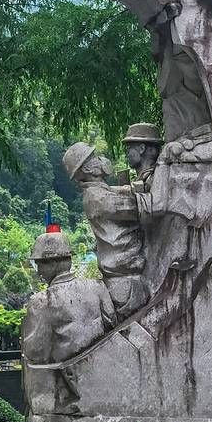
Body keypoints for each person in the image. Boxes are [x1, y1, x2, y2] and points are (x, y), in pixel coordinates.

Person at [63, 141, 150, 320]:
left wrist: (132, 188)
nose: (100, 159)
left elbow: (117, 191)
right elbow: (144, 208)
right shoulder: (98, 198)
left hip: (127, 278)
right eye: (94, 157)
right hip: (125, 283)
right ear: (87, 169)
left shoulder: (101, 191)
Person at [22, 232, 116, 364]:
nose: (38, 271)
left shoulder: (42, 301)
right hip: (103, 366)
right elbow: (111, 326)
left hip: (66, 373)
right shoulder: (97, 287)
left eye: (40, 265)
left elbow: (35, 352)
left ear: (53, 264)